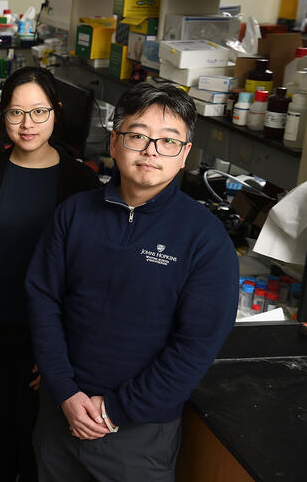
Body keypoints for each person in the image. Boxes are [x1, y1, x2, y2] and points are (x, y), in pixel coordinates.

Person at [26, 83, 238, 482]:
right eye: (138, 135)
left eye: (168, 141)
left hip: (137, 432)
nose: (151, 150)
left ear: (185, 154)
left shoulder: (205, 240)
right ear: (114, 140)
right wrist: (64, 392)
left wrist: (114, 411)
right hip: (59, 413)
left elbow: (195, 346)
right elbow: (43, 301)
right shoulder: (73, 215)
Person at [0, 67, 101, 481]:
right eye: (17, 113)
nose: (27, 124)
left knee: (40, 438)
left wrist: (65, 351)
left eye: (39, 112)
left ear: (56, 113)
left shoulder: (80, 182)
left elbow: (86, 275)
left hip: (50, 336)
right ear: (3, 115)